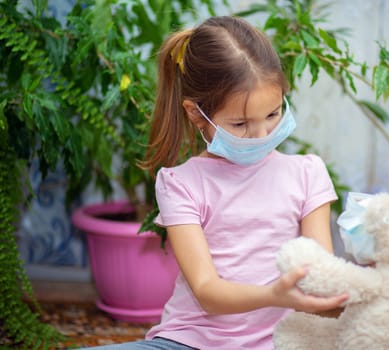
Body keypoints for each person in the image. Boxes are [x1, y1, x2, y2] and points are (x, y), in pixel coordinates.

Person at [87, 15, 347, 350]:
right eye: (239, 124)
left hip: (282, 343)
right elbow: (207, 291)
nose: (261, 135)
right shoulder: (180, 184)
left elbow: (321, 273)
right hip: (189, 342)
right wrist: (274, 295)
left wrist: (378, 283)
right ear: (196, 114)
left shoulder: (307, 173)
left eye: (273, 114)